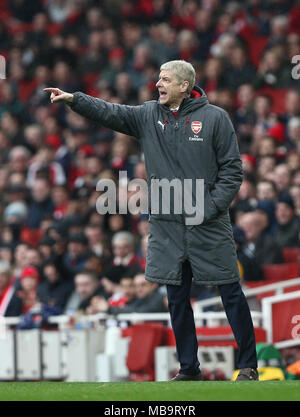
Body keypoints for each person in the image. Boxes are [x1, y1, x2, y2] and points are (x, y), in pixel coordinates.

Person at [44, 59, 258, 381]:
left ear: (185, 86)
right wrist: (75, 99)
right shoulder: (148, 115)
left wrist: (210, 207)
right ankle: (189, 368)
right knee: (176, 297)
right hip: (167, 225)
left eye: (166, 79)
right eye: (158, 78)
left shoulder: (215, 118)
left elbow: (232, 171)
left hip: (208, 224)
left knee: (230, 292)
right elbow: (110, 112)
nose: (158, 83)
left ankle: (248, 366)